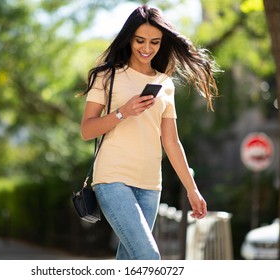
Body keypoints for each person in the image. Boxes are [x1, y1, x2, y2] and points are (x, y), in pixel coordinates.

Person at [80, 5, 219, 260]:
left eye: (154, 42)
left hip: (150, 185)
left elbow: (171, 141)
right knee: (148, 257)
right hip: (112, 178)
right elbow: (87, 130)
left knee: (130, 261)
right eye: (140, 40)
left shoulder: (164, 84)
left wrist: (192, 189)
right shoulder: (107, 76)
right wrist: (123, 112)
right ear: (129, 38)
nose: (147, 48)